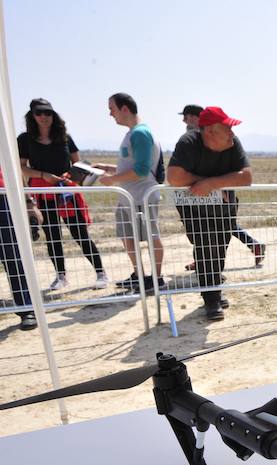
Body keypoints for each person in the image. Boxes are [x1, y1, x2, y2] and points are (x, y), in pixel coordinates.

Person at [167, 106, 252, 321]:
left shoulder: (233, 143)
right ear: (210, 131)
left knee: (220, 246)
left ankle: (215, 289)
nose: (232, 133)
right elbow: (175, 177)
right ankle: (211, 300)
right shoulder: (188, 142)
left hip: (224, 206)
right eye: (228, 128)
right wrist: (205, 184)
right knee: (205, 248)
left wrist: (212, 183)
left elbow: (246, 177)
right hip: (193, 208)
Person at [17, 98, 108, 291]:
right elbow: (21, 167)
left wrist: (71, 176)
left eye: (48, 113)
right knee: (52, 235)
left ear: (53, 115)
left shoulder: (64, 136)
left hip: (67, 190)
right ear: (32, 116)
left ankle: (101, 273)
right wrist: (44, 175)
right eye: (39, 113)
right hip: (43, 192)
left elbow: (79, 163)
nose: (44, 117)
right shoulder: (25, 139)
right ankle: (61, 276)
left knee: (79, 233)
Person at [179, 104, 264, 271]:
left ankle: (212, 269)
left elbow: (237, 172)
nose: (184, 120)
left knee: (219, 229)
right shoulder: (191, 140)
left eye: (187, 116)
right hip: (202, 197)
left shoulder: (220, 139)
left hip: (222, 197)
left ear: (196, 118)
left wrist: (214, 185)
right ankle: (206, 264)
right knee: (207, 231)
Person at [95, 93, 165, 291]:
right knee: (128, 238)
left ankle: (156, 278)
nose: (110, 114)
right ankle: (140, 276)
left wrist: (112, 179)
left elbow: (142, 170)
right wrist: (109, 168)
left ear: (124, 108)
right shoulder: (133, 133)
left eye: (112, 109)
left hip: (142, 196)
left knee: (151, 237)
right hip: (129, 197)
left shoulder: (139, 133)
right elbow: (133, 165)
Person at [0, 171, 39, 330]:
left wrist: (29, 202)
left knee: (13, 256)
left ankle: (26, 308)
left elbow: (16, 167)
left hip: (4, 196)